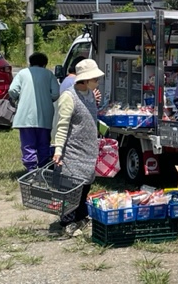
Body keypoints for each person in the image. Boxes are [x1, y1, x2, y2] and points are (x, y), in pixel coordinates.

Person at [53, 59, 105, 238]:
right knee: (72, 188)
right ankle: (67, 223)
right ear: (85, 79)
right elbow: (62, 126)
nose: (97, 81)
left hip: (89, 149)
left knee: (86, 186)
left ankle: (81, 218)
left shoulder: (91, 94)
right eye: (94, 78)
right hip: (73, 150)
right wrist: (58, 150)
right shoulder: (69, 96)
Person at [10, 52, 60, 172]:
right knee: (43, 143)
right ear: (44, 64)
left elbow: (12, 90)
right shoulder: (49, 74)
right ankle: (43, 167)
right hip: (45, 114)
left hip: (25, 115)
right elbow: (55, 93)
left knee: (28, 143)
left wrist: (18, 98)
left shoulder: (22, 73)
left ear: (30, 63)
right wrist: (48, 99)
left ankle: (31, 169)